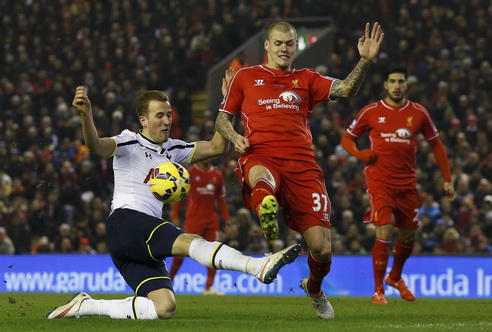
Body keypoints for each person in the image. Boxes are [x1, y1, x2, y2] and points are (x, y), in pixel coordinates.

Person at [47, 70, 301, 320]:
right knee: (190, 241)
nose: (166, 120)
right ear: (143, 120)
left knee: (164, 308)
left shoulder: (173, 149)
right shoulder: (129, 142)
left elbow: (217, 146)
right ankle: (255, 266)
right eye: (159, 116)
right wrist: (86, 116)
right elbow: (96, 145)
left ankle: (86, 306)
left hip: (136, 240)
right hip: (128, 222)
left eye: (168, 114)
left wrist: (228, 103)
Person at [215, 21, 384, 319]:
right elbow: (222, 120)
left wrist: (365, 61)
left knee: (321, 248)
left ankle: (315, 288)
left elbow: (346, 89)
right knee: (260, 177)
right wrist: (234, 137)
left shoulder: (307, 78)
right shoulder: (245, 76)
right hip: (261, 153)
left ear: (296, 47)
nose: (284, 48)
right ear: (266, 46)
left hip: (303, 165)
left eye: (289, 44)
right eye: (278, 43)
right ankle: (267, 205)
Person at [340, 63, 456, 304]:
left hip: (407, 183)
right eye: (392, 81)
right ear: (385, 85)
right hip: (379, 180)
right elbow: (347, 139)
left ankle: (395, 277)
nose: (396, 86)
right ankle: (378, 290)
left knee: (408, 237)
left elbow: (436, 144)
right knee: (384, 229)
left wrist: (447, 178)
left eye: (400, 81)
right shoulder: (370, 111)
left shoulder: (419, 113)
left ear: (407, 84)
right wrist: (362, 155)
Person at [169, 159, 231, 295]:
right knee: (180, 252)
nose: (208, 157)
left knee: (214, 252)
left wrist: (227, 219)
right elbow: (179, 195)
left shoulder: (217, 175)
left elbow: (221, 199)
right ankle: (169, 282)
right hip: (193, 220)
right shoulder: (189, 173)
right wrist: (175, 215)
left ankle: (208, 288)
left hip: (211, 222)